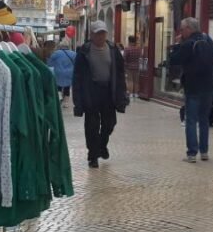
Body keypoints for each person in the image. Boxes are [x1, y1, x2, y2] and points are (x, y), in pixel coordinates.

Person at [73, 20, 128, 168]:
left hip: (109, 92)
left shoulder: (113, 49)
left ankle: (102, 145)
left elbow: (120, 73)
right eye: (98, 34)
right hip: (91, 92)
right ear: (91, 35)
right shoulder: (84, 51)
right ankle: (93, 156)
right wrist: (77, 101)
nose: (101, 36)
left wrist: (122, 94)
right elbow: (77, 77)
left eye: (103, 33)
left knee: (110, 124)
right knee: (91, 126)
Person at [168, 17, 213, 162]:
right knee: (204, 120)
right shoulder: (208, 40)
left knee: (191, 120)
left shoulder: (188, 44)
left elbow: (174, 60)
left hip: (193, 86)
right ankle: (204, 152)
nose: (181, 32)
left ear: (189, 29)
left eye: (182, 29)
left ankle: (191, 153)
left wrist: (177, 44)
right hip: (208, 86)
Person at [49, 39, 76, 107]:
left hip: (58, 72)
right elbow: (76, 63)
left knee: (58, 87)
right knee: (67, 87)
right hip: (69, 73)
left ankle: (59, 99)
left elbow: (49, 62)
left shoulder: (56, 53)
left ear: (60, 46)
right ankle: (66, 103)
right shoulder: (73, 53)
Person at [123, 35, 143, 99]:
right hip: (137, 66)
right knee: (136, 80)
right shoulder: (138, 49)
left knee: (130, 80)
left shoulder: (127, 48)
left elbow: (124, 57)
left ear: (129, 41)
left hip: (129, 66)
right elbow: (140, 56)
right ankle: (136, 93)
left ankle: (131, 93)